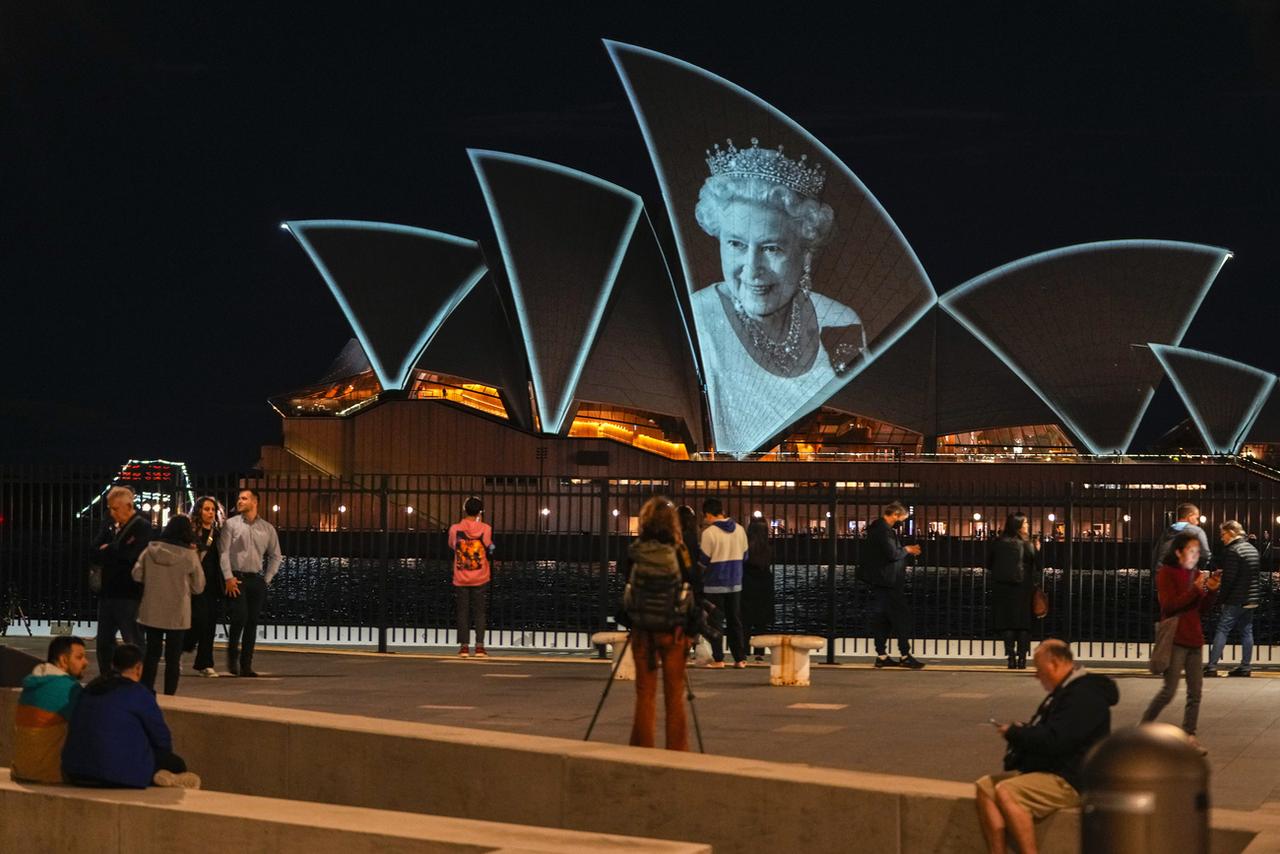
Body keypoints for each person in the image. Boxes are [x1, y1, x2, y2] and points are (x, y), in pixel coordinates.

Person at [692, 138, 867, 454]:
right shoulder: (697, 320)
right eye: (736, 245)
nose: (752, 268)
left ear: (805, 251)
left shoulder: (841, 321)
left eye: (771, 248)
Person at [975, 640, 1119, 854]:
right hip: (1056, 770)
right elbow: (1054, 732)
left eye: (1038, 669)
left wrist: (1017, 734)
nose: (1036, 675)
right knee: (985, 786)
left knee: (1008, 792)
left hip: (1072, 779)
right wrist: (1025, 731)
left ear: (1054, 664)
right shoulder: (1068, 690)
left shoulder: (1084, 696)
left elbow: (1057, 740)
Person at [62, 643, 200, 789]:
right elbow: (161, 738)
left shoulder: (90, 688)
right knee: (175, 763)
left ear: (112, 664)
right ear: (139, 668)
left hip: (75, 771)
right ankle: (157, 774)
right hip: (114, 775)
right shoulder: (137, 693)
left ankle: (157, 774)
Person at [624, 496, 698, 750]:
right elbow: (691, 585)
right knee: (674, 698)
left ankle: (642, 751)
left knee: (644, 695)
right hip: (673, 631)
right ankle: (677, 754)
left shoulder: (635, 550)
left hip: (643, 631)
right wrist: (690, 628)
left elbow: (627, 589)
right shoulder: (680, 551)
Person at [1141, 531, 1221, 753]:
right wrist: (1196, 589)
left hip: (1194, 637)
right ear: (1178, 552)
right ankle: (1143, 728)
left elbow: (1201, 609)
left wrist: (1211, 591)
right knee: (1169, 690)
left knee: (1195, 692)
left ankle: (1189, 735)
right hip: (1176, 637)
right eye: (1191, 551)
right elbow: (1169, 606)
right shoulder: (1166, 573)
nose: (1196, 555)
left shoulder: (1194, 573)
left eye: (1198, 552)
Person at [132, 515, 206, 695]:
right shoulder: (189, 555)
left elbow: (136, 574)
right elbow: (199, 586)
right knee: (173, 658)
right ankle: (170, 695)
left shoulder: (150, 550)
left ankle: (146, 691)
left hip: (152, 610)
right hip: (177, 612)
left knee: (151, 655)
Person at [219, 488, 283, 677]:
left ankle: (246, 665)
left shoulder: (267, 529)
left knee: (252, 622)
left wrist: (267, 579)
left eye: (244, 498)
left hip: (256, 579)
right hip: (236, 578)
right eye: (239, 498)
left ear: (255, 502)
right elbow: (223, 552)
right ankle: (233, 656)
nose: (239, 501)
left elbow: (276, 556)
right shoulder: (230, 525)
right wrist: (228, 577)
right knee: (239, 617)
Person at [90, 486, 153, 674]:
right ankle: (107, 677)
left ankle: (138, 677)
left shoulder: (142, 526)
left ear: (128, 506)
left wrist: (108, 549)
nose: (112, 512)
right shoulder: (109, 525)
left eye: (115, 509)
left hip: (128, 593)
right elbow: (94, 550)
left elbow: (131, 555)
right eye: (110, 508)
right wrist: (112, 547)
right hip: (108, 592)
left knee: (133, 639)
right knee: (104, 641)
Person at [10, 636, 88, 783]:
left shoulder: (32, 683)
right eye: (79, 657)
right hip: (50, 774)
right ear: (64, 660)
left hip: (20, 770)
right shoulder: (70, 689)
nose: (85, 662)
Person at [862, 501, 924, 669]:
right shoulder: (884, 531)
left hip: (881, 580)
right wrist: (908, 550)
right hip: (889, 581)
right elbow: (893, 554)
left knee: (883, 619)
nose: (903, 520)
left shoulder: (876, 529)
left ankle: (881, 655)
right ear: (895, 514)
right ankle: (904, 655)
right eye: (902, 517)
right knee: (902, 618)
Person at [1205, 520, 1260, 678]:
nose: (1222, 538)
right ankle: (1245, 667)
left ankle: (1211, 666)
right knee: (1246, 631)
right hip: (1251, 599)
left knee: (1223, 629)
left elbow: (1230, 579)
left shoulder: (1232, 550)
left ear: (1231, 533)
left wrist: (1221, 600)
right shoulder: (1251, 549)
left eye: (1223, 534)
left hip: (1235, 599)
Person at [699, 497, 749, 668]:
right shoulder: (740, 530)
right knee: (735, 620)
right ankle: (740, 658)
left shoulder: (709, 533)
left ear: (708, 514)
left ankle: (719, 659)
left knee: (715, 623)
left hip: (714, 583)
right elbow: (745, 556)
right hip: (735, 581)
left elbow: (703, 561)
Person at [988, 513, 1041, 670]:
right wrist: (1037, 549)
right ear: (1018, 525)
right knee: (1023, 624)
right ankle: (1022, 659)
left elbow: (989, 563)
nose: (1027, 525)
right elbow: (1038, 564)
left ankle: (1010, 657)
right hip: (1024, 587)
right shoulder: (1027, 543)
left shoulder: (998, 542)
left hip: (1002, 586)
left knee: (1007, 623)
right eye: (1025, 523)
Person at [448, 496, 494, 658]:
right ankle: (480, 647)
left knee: (462, 611)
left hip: (461, 576)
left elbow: (452, 545)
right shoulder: (485, 528)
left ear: (464, 509)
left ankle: (464, 647)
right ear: (480, 511)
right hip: (480, 576)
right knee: (480, 612)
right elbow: (490, 546)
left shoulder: (455, 529)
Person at [185, 496, 225, 677]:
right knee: (196, 621)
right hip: (193, 583)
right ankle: (182, 647)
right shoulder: (191, 532)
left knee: (209, 625)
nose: (210, 513)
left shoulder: (218, 534)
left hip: (211, 584)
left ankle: (205, 663)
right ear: (199, 511)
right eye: (206, 509)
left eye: (212, 510)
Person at [741, 518, 774, 660]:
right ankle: (759, 653)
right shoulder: (767, 547)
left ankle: (743, 651)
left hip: (747, 581)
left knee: (745, 620)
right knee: (762, 621)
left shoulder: (745, 546)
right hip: (764, 582)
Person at [1152, 503, 1211, 571]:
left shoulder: (1167, 531)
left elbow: (1155, 555)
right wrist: (1198, 569)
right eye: (1196, 518)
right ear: (1190, 516)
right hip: (1184, 573)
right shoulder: (1196, 531)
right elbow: (1205, 554)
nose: (1197, 522)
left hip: (1163, 572)